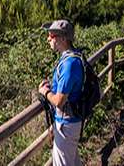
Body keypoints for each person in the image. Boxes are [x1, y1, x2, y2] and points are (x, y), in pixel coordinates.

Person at [38, 20, 84, 166]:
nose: (48, 38)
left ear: (63, 39)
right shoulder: (72, 57)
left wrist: (45, 92)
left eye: (51, 35)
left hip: (66, 125)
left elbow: (59, 101)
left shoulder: (69, 64)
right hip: (72, 122)